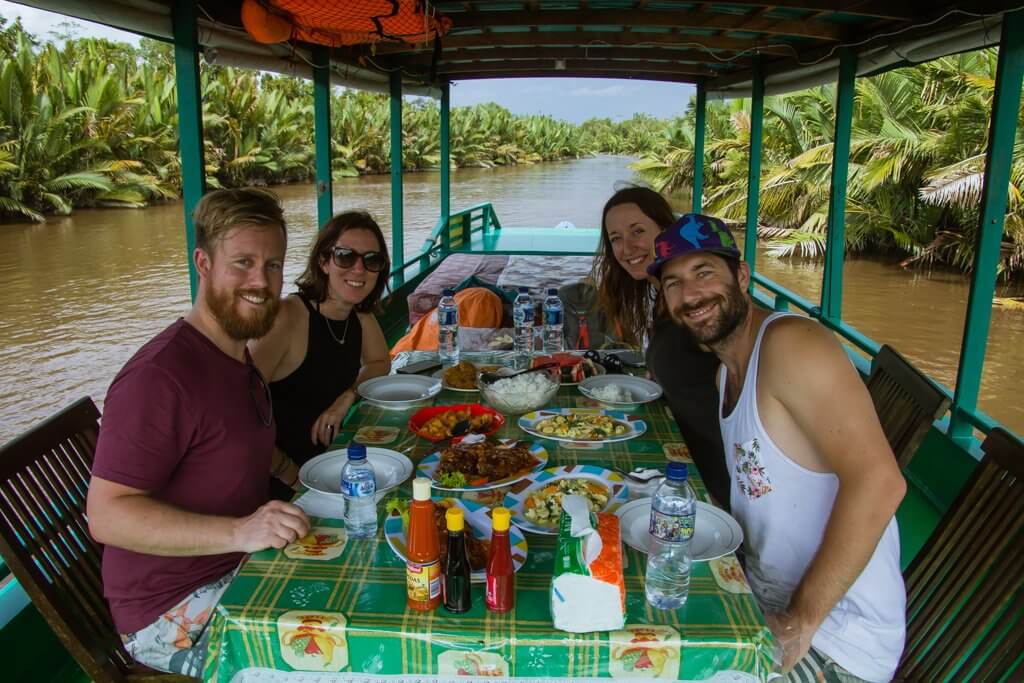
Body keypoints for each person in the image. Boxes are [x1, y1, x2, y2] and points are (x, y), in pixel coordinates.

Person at [649, 214, 907, 683]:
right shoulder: (726, 370)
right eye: (673, 283)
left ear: (742, 276)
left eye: (704, 272)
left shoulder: (792, 345)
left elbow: (881, 482)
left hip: (835, 643)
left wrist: (800, 621)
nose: (690, 295)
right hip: (762, 602)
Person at [87, 188, 311, 677]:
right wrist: (240, 530)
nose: (261, 281)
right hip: (169, 612)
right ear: (203, 262)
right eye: (244, 263)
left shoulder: (235, 355)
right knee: (337, 659)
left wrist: (302, 480)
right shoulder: (160, 376)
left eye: (273, 265)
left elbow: (233, 446)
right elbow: (106, 515)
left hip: (234, 566)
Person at [595, 186, 730, 509]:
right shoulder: (659, 298)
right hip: (683, 449)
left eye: (638, 231)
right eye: (615, 238)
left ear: (665, 231)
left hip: (714, 472)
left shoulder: (697, 306)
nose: (627, 248)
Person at [250, 211, 391, 498]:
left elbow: (380, 363)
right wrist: (290, 476)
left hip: (330, 466)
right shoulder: (288, 317)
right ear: (323, 262)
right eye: (345, 256)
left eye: (371, 260)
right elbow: (236, 413)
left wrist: (349, 394)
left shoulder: (357, 315)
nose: (359, 269)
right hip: (280, 484)